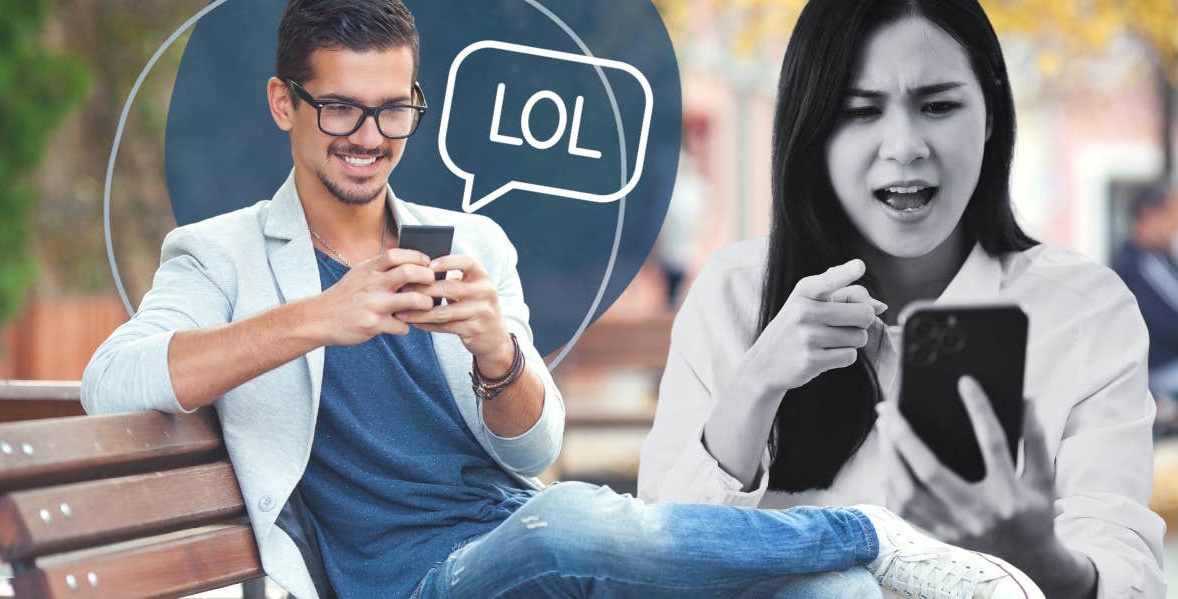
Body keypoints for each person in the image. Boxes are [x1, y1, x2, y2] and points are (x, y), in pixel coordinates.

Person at [82, 1, 1042, 597]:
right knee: (576, 519)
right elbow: (111, 385)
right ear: (285, 103)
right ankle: (874, 528)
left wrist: (500, 356)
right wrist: (315, 320)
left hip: (534, 544)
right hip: (420, 581)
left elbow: (531, 450)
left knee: (830, 593)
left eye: (394, 109)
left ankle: (860, 556)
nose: (369, 136)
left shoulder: (470, 242)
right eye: (341, 107)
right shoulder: (221, 254)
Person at [640, 0, 1166, 598]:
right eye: (861, 112)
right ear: (812, 132)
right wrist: (756, 384)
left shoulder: (1086, 312)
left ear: (991, 113)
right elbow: (651, 567)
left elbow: (1126, 568)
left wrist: (1042, 563)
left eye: (938, 106)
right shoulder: (734, 294)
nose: (905, 145)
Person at [1111, 182, 1178, 435]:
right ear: (1149, 215)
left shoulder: (1164, 261)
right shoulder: (1127, 268)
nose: (1176, 224)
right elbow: (1161, 327)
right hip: (1159, 375)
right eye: (1172, 213)